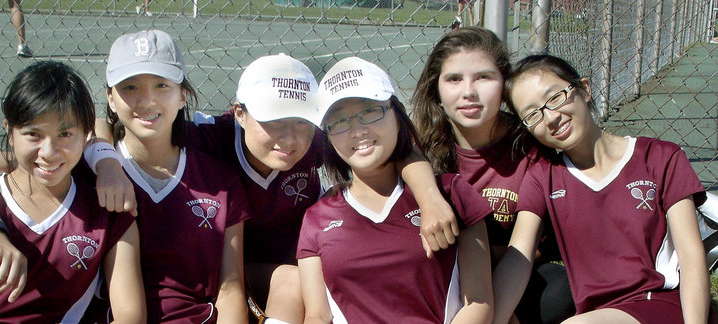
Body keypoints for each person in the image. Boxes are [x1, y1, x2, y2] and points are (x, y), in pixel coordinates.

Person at [89, 52, 458, 323]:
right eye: (271, 120)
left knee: (296, 278)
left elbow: (400, 153)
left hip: (296, 263)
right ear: (239, 114)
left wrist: (429, 196)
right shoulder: (210, 136)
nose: (288, 137)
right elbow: (105, 123)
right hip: (226, 266)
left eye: (300, 121)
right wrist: (106, 160)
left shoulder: (318, 142)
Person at [0, 30, 251, 323]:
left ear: (183, 95)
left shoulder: (210, 181)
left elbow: (229, 287)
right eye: (130, 87)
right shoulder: (85, 173)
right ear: (111, 98)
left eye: (161, 85)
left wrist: (105, 162)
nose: (146, 100)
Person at [505, 54, 711, 324]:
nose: (551, 117)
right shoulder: (543, 178)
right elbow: (517, 259)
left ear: (585, 89)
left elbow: (691, 257)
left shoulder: (660, 157)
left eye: (555, 98)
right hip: (597, 314)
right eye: (533, 114)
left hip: (660, 301)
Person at [0, 61, 145, 323]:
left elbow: (130, 316)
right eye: (33, 134)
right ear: (9, 131)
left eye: (65, 134)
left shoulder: (108, 209)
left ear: (86, 134)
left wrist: (107, 163)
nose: (49, 152)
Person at [298, 56, 494, 323]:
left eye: (370, 111)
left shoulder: (451, 192)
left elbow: (479, 303)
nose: (357, 130)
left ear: (397, 113)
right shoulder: (317, 218)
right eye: (340, 121)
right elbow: (318, 316)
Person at [411, 26, 575, 324]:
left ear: (503, 85)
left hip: (513, 271)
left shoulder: (530, 144)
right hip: (447, 275)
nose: (469, 92)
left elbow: (526, 251)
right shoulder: (418, 151)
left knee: (557, 291)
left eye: (483, 77)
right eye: (454, 79)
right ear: (436, 89)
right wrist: (428, 196)